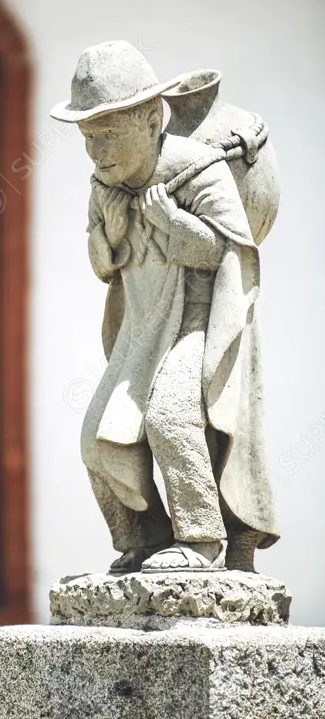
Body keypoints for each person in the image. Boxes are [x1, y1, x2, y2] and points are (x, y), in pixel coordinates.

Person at [51, 41, 279, 574]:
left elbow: (228, 252)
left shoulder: (196, 167)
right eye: (88, 136)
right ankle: (141, 537)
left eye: (109, 133)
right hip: (141, 325)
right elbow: (101, 265)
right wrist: (110, 229)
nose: (98, 151)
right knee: (95, 440)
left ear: (152, 119)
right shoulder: (103, 183)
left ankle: (200, 540)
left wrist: (173, 222)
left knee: (170, 417)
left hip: (197, 320)